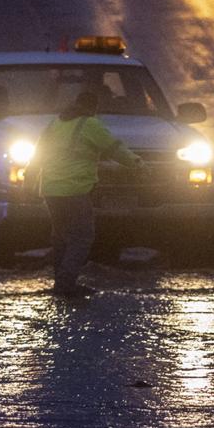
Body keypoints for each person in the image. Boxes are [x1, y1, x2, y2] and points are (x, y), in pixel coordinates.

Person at [28, 90, 143, 297]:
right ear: (93, 107)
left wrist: (29, 181)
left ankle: (60, 284)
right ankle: (65, 285)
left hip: (51, 190)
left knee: (61, 238)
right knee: (82, 237)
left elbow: (38, 154)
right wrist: (137, 164)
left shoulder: (55, 124)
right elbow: (113, 148)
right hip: (75, 190)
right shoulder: (90, 124)